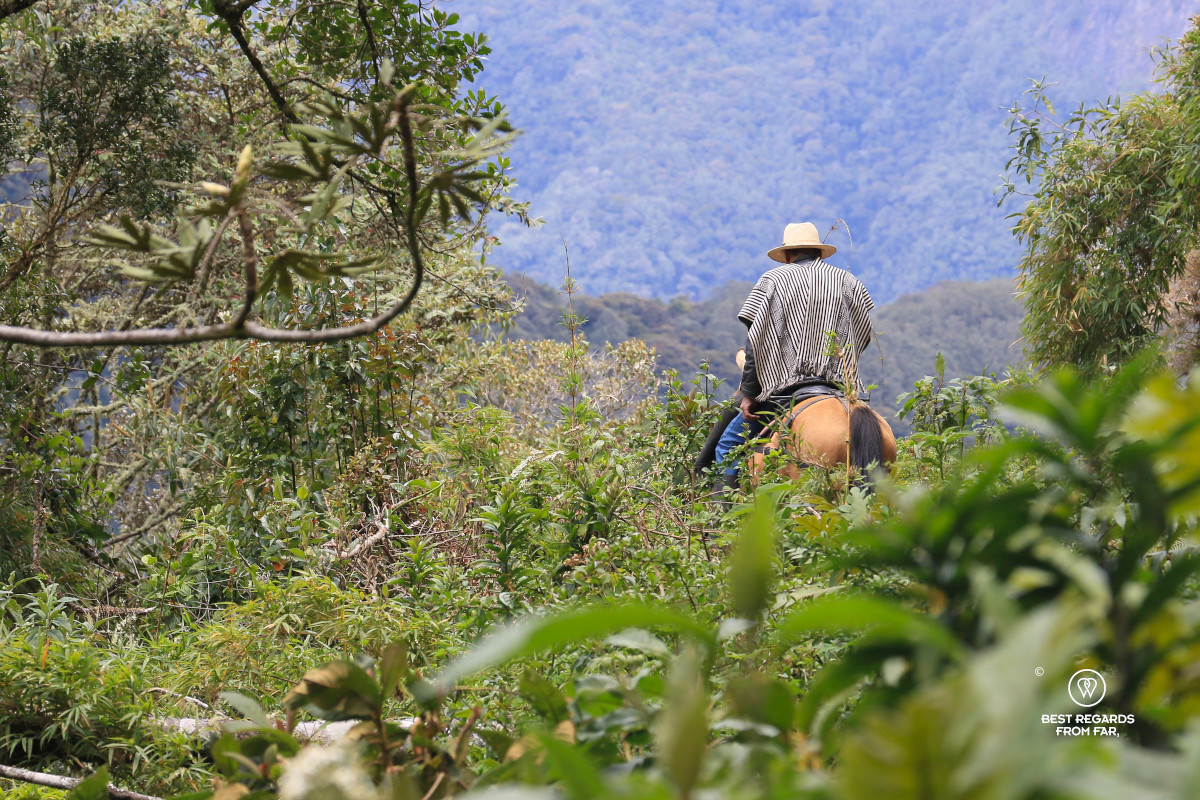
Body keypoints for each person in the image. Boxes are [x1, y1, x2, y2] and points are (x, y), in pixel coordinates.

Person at [709, 221, 876, 492]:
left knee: (728, 447)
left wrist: (750, 394)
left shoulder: (773, 281)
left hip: (786, 392)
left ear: (787, 255)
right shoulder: (848, 281)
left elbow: (756, 342)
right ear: (819, 252)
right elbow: (863, 334)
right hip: (838, 389)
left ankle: (716, 527)